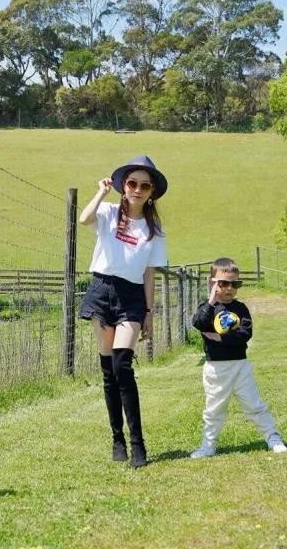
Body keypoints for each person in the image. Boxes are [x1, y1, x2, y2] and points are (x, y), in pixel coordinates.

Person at [78, 155, 168, 468]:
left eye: (145, 185)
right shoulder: (108, 212)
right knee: (108, 371)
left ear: (152, 190)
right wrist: (102, 191)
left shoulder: (154, 231)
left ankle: (138, 445)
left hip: (131, 297)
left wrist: (148, 312)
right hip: (102, 290)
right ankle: (117, 440)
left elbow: (149, 274)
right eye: (132, 183)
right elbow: (83, 219)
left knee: (122, 366)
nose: (138, 189)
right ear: (123, 186)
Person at [190, 257, 287, 458]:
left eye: (235, 284)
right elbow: (199, 323)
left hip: (240, 366)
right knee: (213, 410)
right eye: (223, 283)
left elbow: (245, 334)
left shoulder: (241, 308)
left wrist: (220, 337)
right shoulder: (207, 308)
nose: (229, 288)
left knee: (254, 405)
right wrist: (211, 300)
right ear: (212, 283)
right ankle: (208, 446)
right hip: (215, 370)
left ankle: (273, 437)